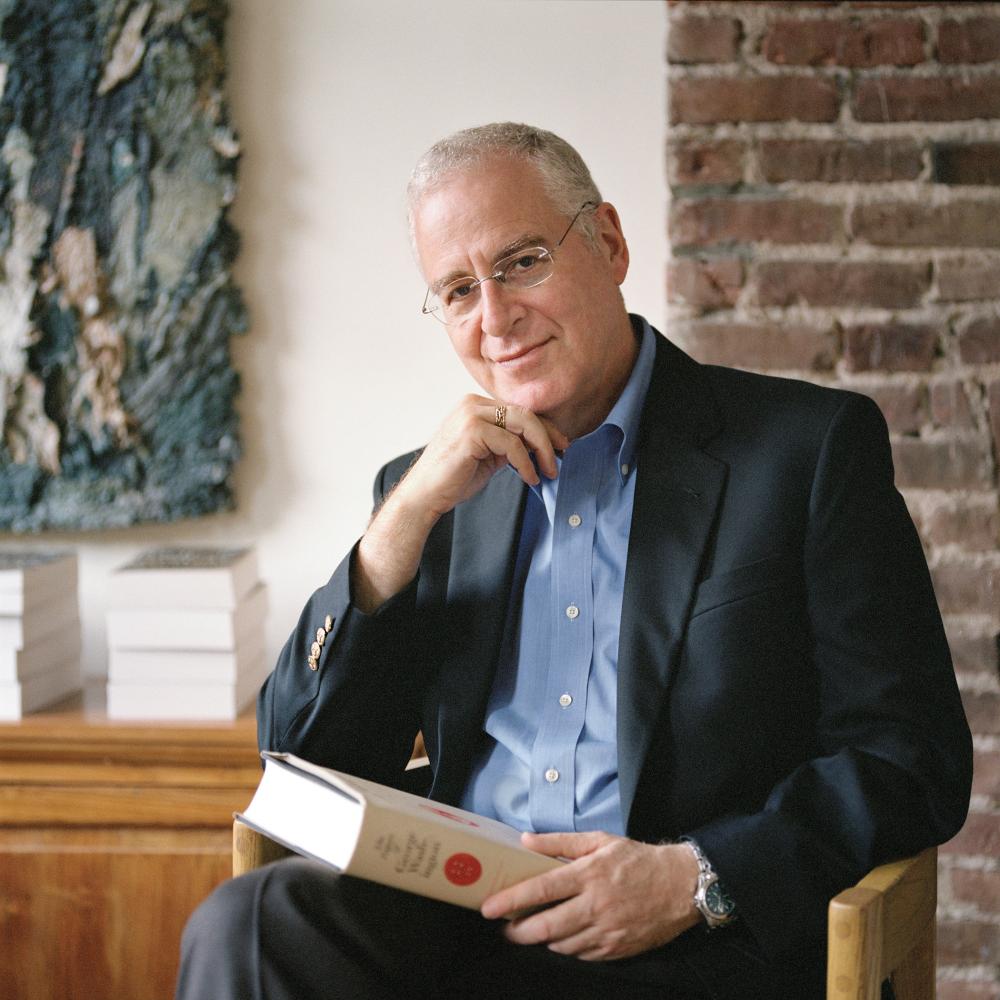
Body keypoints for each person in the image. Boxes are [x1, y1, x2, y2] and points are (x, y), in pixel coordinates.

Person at [177, 123, 972, 1000]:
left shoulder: (806, 451)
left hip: (693, 942)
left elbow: (909, 756)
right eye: (455, 290)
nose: (494, 316)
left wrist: (693, 879)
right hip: (459, 921)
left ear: (611, 243)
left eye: (521, 262)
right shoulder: (429, 496)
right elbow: (298, 762)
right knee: (247, 922)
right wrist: (398, 522)